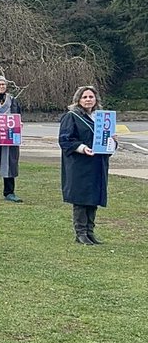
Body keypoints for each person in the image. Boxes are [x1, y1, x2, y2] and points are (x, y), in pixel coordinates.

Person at [59, 86, 115, 245]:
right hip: (80, 164)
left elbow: (106, 141)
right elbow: (65, 140)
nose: (88, 99)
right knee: (81, 197)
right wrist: (82, 148)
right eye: (85, 97)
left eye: (91, 96)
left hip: (98, 163)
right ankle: (81, 233)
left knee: (93, 196)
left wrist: (113, 141)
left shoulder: (102, 118)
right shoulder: (71, 117)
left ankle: (90, 232)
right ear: (78, 99)